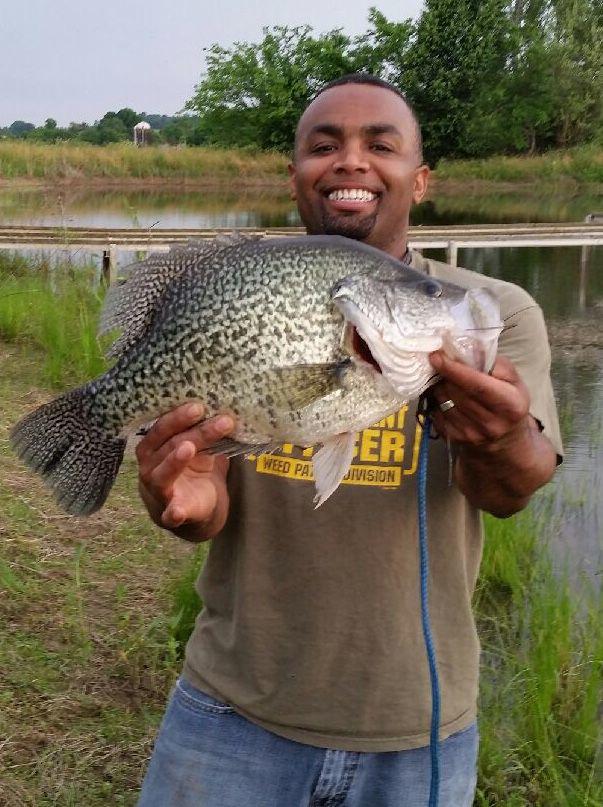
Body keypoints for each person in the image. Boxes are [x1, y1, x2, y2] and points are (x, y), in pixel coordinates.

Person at [135, 74, 562, 807]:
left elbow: (509, 493)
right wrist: (185, 502)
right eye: (322, 146)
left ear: (419, 179)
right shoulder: (248, 281)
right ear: (294, 177)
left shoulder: (492, 310)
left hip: (417, 724)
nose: (350, 161)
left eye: (380, 144)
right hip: (232, 707)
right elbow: (203, 509)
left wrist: (499, 439)